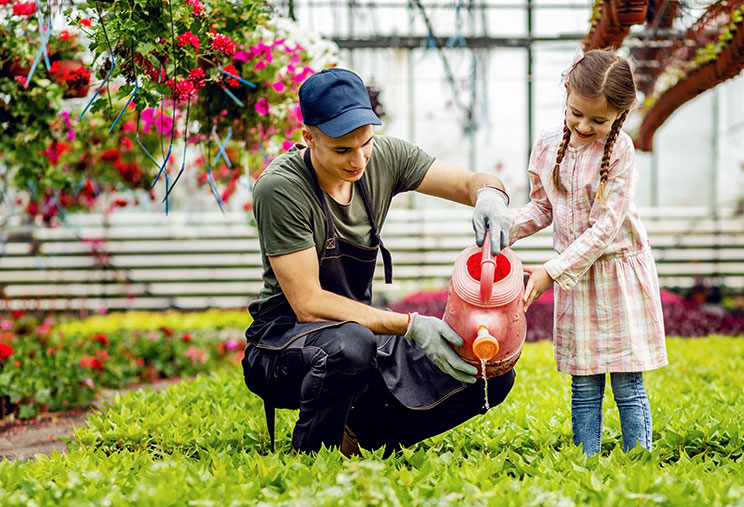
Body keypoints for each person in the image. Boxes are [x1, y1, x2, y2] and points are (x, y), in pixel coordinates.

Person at [242, 67, 516, 456]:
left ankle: (365, 435)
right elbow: (309, 303)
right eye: (342, 150)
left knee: (488, 372)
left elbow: (467, 182)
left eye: (365, 144)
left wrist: (490, 194)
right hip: (282, 343)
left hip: (361, 332)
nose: (358, 161)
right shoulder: (281, 188)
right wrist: (412, 326)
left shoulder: (384, 157)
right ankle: (310, 461)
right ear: (309, 138)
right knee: (350, 344)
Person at [504, 48, 668, 457]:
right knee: (584, 381)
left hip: (616, 272)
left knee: (627, 382)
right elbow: (544, 207)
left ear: (619, 116)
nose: (583, 125)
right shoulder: (546, 145)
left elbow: (606, 227)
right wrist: (504, 230)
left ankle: (638, 462)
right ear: (566, 93)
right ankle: (585, 465)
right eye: (576, 113)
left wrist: (550, 270)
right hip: (576, 276)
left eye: (599, 120)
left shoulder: (620, 150)